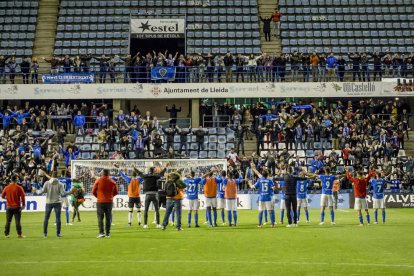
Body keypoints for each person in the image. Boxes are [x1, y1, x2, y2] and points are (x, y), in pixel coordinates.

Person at [35, 170, 72, 238]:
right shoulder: (60, 184)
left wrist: (36, 191)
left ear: (51, 175)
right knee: (58, 218)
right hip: (57, 202)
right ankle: (58, 234)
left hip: (49, 202)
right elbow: (63, 193)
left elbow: (42, 192)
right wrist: (70, 192)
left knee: (46, 218)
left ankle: (45, 234)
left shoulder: (47, 183)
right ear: (57, 175)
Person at [92, 169, 118, 238]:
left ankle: (101, 233)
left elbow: (93, 191)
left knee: (100, 218)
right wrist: (110, 197)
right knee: (108, 217)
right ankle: (108, 233)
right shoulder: (112, 182)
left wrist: (98, 197)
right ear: (108, 174)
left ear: (102, 173)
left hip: (100, 201)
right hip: (109, 202)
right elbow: (116, 192)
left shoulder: (98, 180)